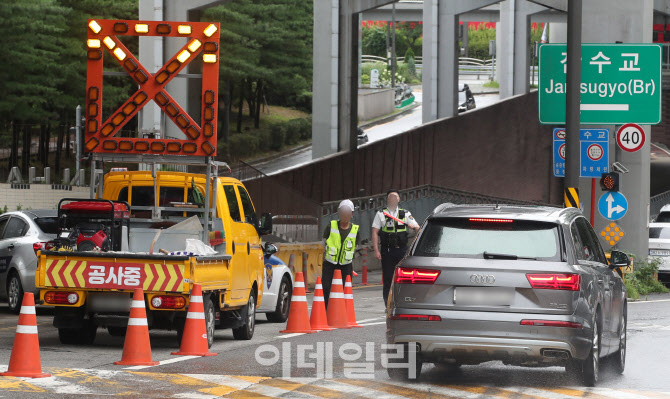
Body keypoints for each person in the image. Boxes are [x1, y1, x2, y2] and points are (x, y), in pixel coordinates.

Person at [372, 190, 420, 307]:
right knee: (388, 279)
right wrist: (376, 250)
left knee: (404, 278)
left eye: (395, 197)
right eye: (391, 197)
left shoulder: (405, 213)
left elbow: (418, 228)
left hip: (402, 250)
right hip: (387, 250)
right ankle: (388, 305)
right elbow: (374, 232)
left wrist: (414, 227)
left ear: (398, 199)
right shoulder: (381, 214)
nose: (393, 199)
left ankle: (403, 303)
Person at [322, 199, 360, 307]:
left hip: (346, 265)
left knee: (345, 290)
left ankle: (341, 313)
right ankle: (326, 311)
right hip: (330, 264)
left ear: (351, 214)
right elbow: (324, 242)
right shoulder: (331, 225)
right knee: (327, 288)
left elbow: (355, 246)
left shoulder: (355, 230)